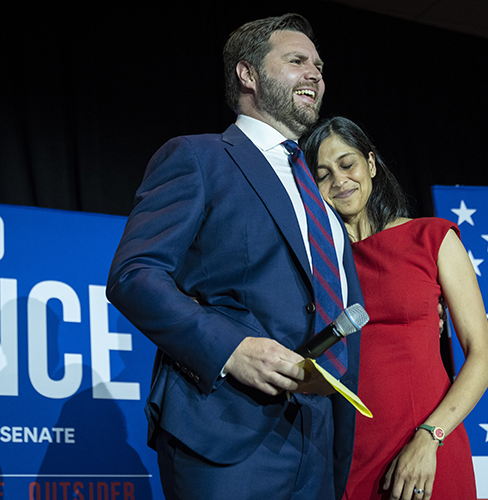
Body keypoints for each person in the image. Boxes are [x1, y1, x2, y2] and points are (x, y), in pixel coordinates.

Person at [106, 15, 364, 500]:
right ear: (248, 74)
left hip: (320, 442)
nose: (315, 73)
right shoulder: (198, 158)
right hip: (224, 432)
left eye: (319, 65)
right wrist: (232, 349)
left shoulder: (321, 195)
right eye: (296, 61)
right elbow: (133, 275)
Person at [302, 117, 488, 500]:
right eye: (323, 174)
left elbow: (483, 358)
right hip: (345, 455)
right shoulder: (318, 267)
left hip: (428, 448)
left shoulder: (432, 238)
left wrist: (430, 437)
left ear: (371, 164)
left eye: (347, 164)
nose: (339, 181)